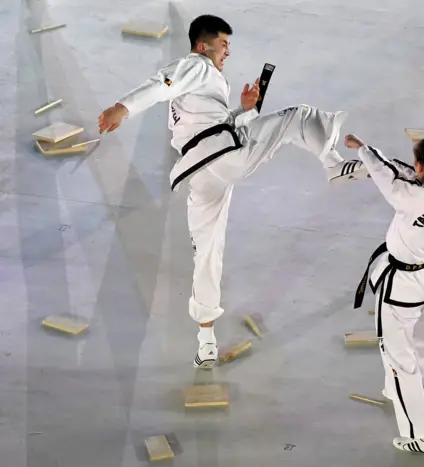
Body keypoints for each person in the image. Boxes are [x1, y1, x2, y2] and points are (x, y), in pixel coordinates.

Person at [97, 15, 369, 369]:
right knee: (300, 116)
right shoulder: (195, 66)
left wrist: (245, 109)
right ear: (202, 45)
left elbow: (211, 126)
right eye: (223, 44)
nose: (227, 52)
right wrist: (122, 107)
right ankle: (333, 164)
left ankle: (206, 342)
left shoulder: (201, 89)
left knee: (207, 253)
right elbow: (160, 84)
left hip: (199, 172)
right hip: (222, 158)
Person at [346, 134, 424, 454]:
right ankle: (405, 390)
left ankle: (419, 436)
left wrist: (365, 149)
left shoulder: (409, 195)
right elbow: (406, 173)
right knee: (420, 342)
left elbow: (387, 174)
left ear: (422, 167)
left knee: (399, 361)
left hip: (402, 287)